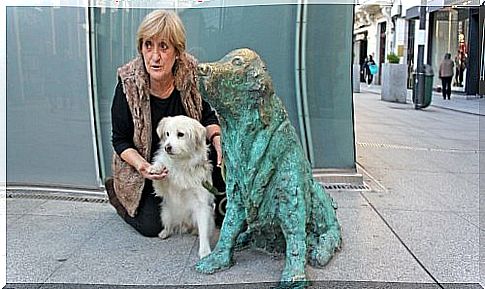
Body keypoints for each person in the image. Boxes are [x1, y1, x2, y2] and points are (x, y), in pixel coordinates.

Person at [105, 9, 225, 237]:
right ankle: (117, 195)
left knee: (222, 212)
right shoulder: (128, 85)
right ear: (141, 48)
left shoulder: (191, 75)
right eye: (148, 45)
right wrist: (143, 166)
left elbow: (207, 116)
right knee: (153, 226)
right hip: (148, 167)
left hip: (188, 162)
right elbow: (119, 140)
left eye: (164, 47)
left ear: (178, 52)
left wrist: (217, 139)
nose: (155, 57)